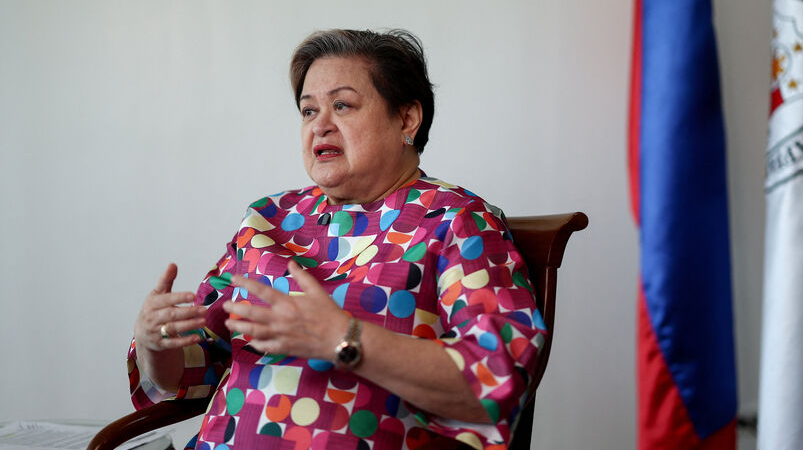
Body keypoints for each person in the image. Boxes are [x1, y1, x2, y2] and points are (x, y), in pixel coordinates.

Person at [129, 29, 546, 450]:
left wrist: (344, 340)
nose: (320, 126)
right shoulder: (268, 219)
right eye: (308, 111)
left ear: (406, 119)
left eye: (342, 105)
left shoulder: (457, 221)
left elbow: (495, 382)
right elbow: (195, 366)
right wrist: (154, 342)